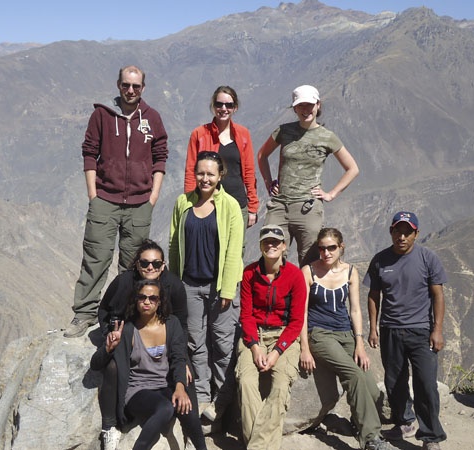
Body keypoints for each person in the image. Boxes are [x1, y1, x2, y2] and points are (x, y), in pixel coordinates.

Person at [65, 65, 168, 338]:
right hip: (105, 200)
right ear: (118, 85)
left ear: (143, 88)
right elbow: (89, 152)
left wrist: (153, 196)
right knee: (95, 258)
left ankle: (127, 315)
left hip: (140, 203)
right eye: (126, 85)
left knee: (134, 264)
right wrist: (93, 194)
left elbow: (160, 156)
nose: (130, 90)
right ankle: (85, 313)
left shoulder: (152, 118)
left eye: (136, 86)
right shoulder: (102, 115)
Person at [300, 228, 394, 450]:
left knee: (371, 389)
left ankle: (358, 421)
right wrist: (304, 347)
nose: (326, 253)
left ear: (341, 247)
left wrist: (359, 343)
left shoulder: (351, 271)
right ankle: (371, 439)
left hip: (346, 333)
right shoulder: (309, 272)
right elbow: (301, 312)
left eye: (331, 247)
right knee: (353, 376)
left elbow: (355, 310)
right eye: (322, 248)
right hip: (319, 333)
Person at [95, 240, 194, 449]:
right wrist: (110, 336)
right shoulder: (123, 283)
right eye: (145, 263)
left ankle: (192, 432)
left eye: (156, 264)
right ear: (137, 265)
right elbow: (104, 310)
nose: (151, 268)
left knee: (185, 378)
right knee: (112, 367)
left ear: (163, 265)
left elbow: (181, 324)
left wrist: (183, 359)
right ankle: (110, 425)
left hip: (162, 341)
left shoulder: (173, 285)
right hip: (125, 339)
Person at [169, 151, 244, 421]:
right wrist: (174, 285)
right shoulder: (182, 203)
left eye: (211, 173)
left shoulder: (230, 206)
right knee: (195, 343)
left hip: (219, 287)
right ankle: (201, 395)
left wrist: (226, 289)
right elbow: (174, 244)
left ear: (220, 175)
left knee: (223, 345)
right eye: (201, 173)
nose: (205, 178)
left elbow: (235, 250)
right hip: (189, 285)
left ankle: (222, 400)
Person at [364, 212, 447, 450]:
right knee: (394, 382)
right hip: (390, 330)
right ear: (391, 232)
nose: (402, 236)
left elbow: (438, 295)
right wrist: (373, 328)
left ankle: (431, 436)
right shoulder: (380, 260)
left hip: (421, 330)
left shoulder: (428, 258)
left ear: (416, 234)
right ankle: (405, 422)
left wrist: (438, 330)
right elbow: (373, 295)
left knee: (426, 383)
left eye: (407, 232)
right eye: (397, 231)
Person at [257, 84, 359, 266]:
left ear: (318, 105)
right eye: (301, 105)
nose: (305, 110)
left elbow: (352, 168)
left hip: (308, 207)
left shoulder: (327, 137)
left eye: (309, 105)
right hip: (279, 205)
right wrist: (268, 183)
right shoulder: (283, 131)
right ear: (294, 107)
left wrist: (331, 194)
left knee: (309, 262)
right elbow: (262, 155)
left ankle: (306, 296)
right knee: (272, 257)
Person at [235, 224, 307, 450]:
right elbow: (245, 315)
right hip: (253, 334)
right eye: (267, 241)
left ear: (284, 246)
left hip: (283, 335)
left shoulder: (295, 276)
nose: (271, 245)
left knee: (280, 385)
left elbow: (296, 321)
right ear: (261, 246)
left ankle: (255, 447)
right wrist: (255, 347)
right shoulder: (249, 273)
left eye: (276, 241)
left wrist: (276, 352)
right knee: (246, 382)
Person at [184, 85, 259, 230]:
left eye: (229, 105)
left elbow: (249, 172)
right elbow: (190, 171)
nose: (223, 108)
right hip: (207, 203)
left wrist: (252, 207)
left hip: (237, 204)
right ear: (213, 106)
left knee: (236, 250)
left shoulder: (244, 134)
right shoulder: (199, 134)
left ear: (235, 108)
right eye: (219, 104)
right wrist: (188, 203)